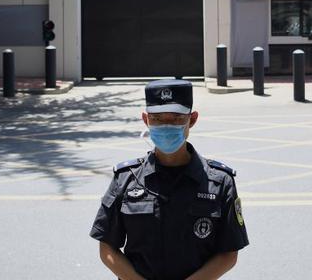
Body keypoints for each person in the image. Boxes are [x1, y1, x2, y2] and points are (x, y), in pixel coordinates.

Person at [91, 79, 248, 280]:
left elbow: (228, 252)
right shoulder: (126, 179)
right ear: (146, 120)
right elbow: (106, 246)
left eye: (175, 118)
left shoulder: (219, 181)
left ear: (192, 120)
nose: (166, 125)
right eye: (157, 118)